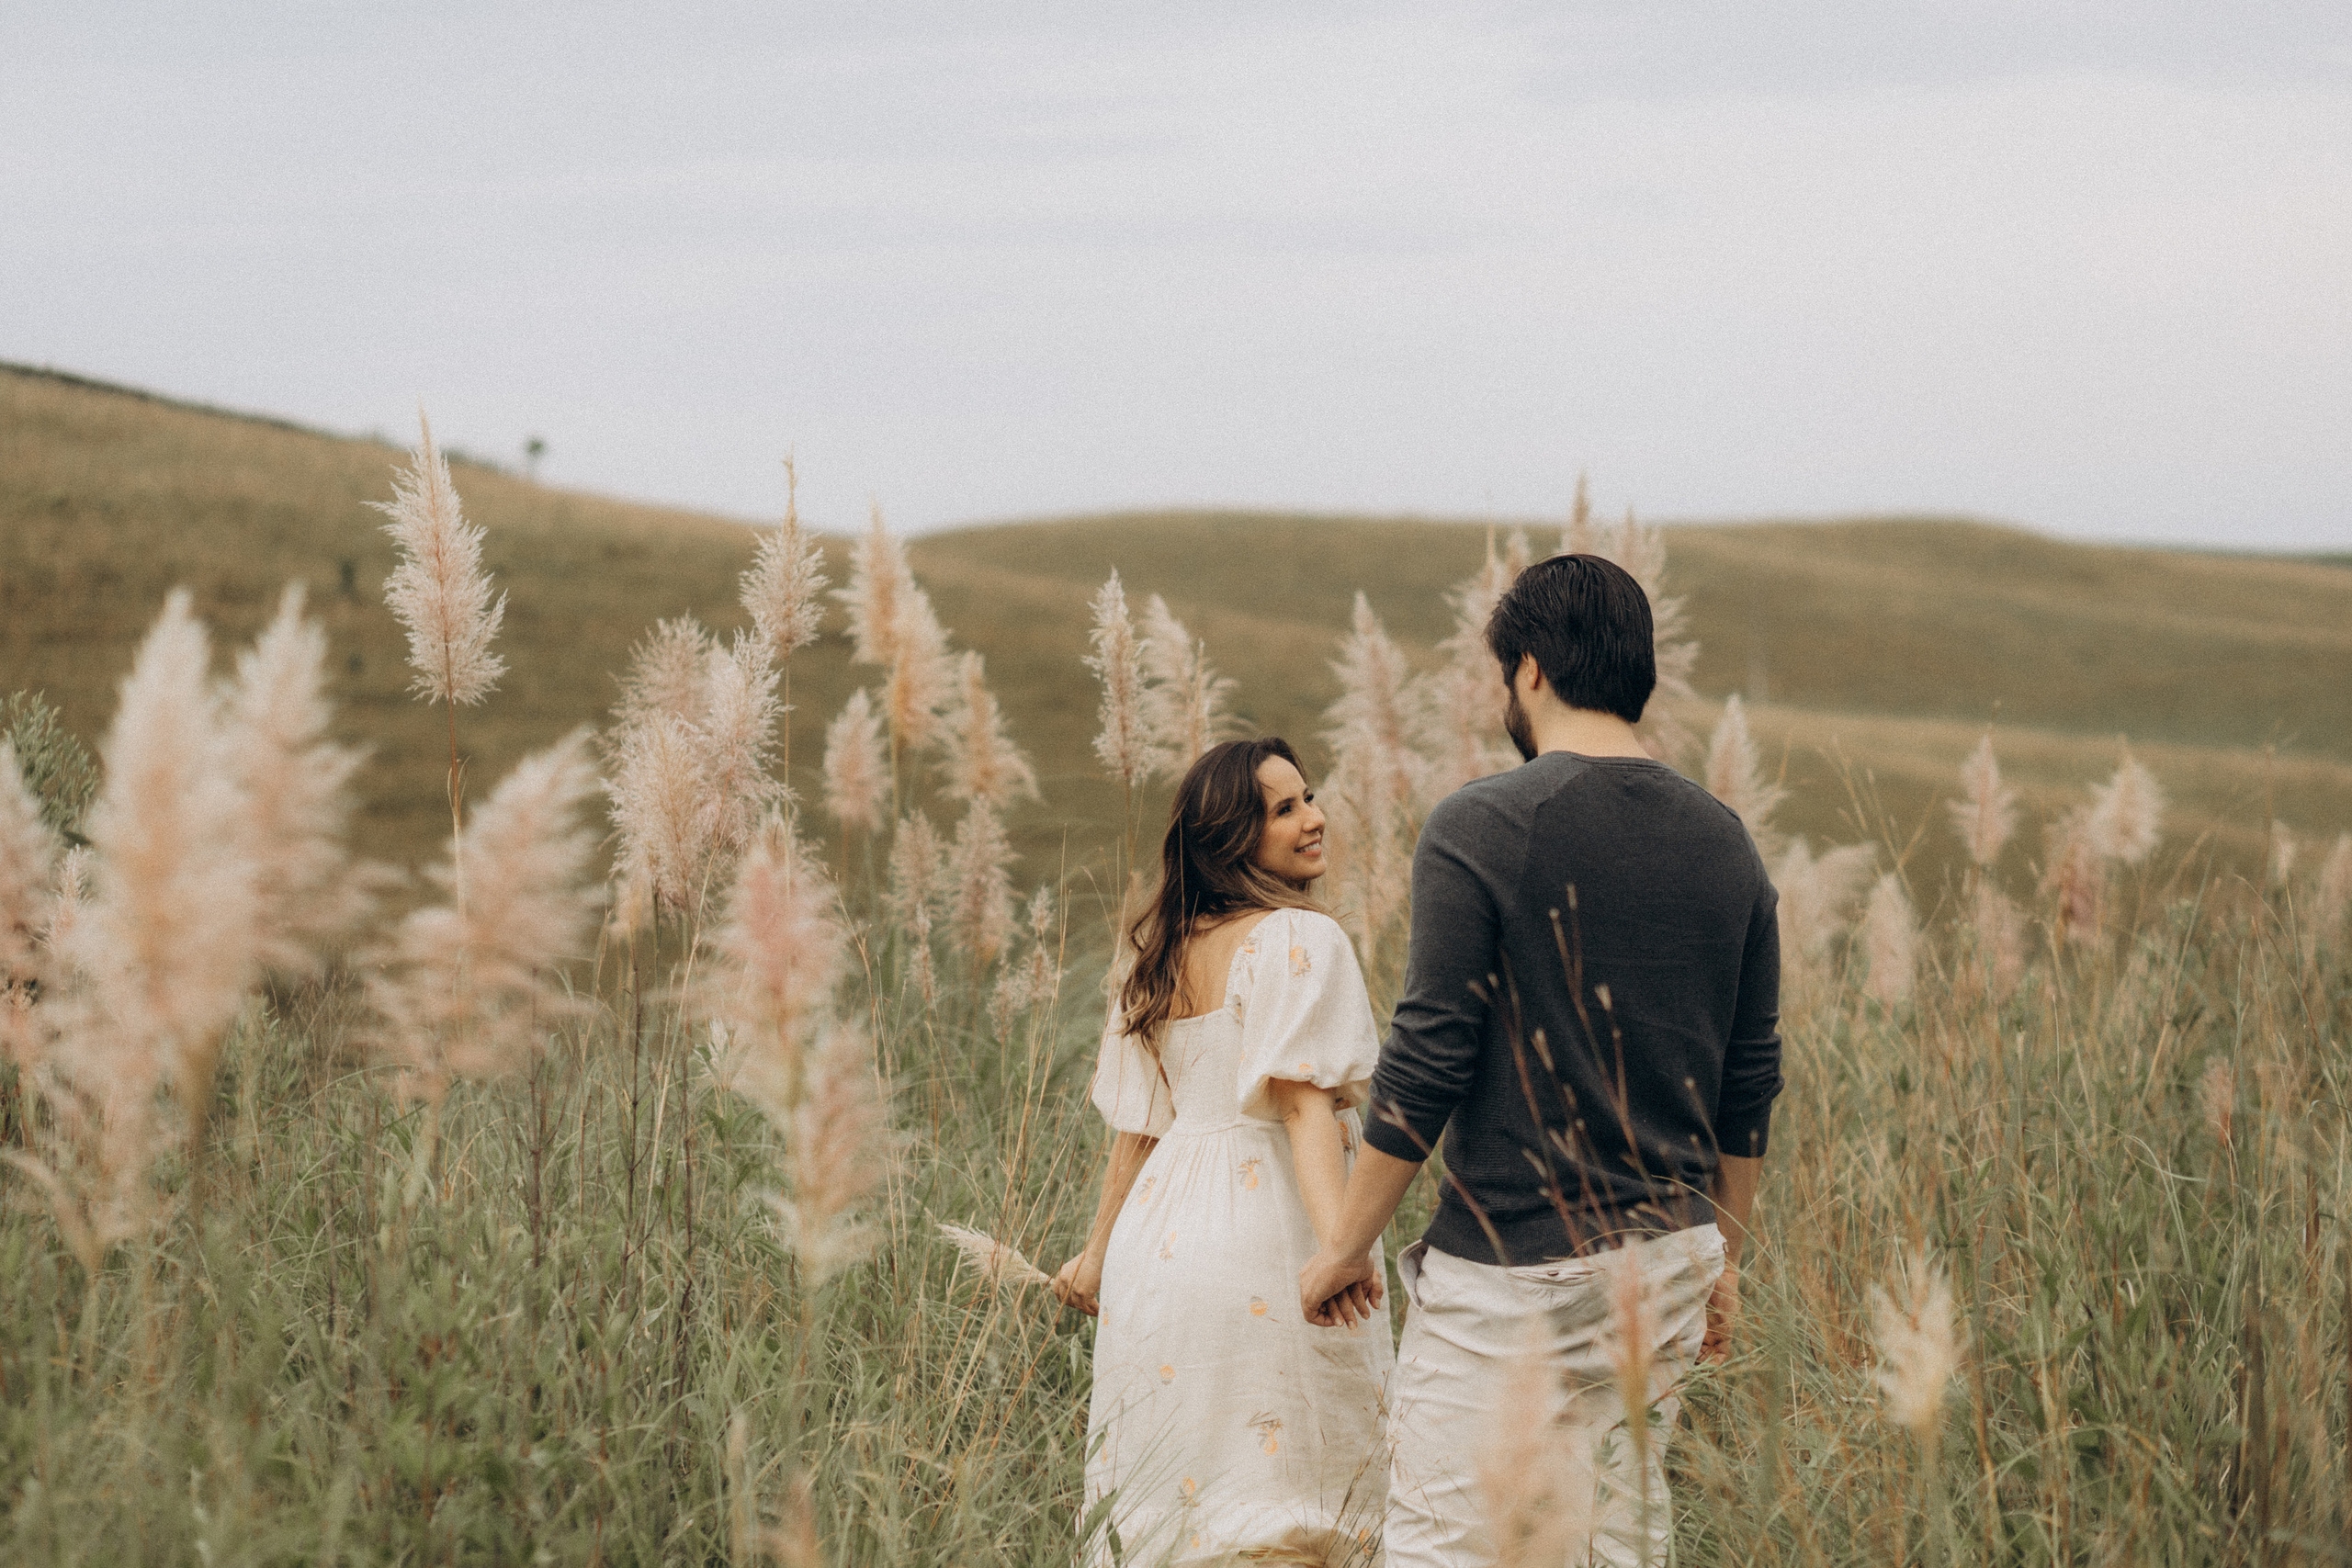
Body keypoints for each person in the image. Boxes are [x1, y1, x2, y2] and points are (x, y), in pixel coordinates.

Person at [1297, 553, 1783, 1568]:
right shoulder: (1728, 844)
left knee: (1448, 1552)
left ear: (1526, 670)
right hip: (1666, 1264)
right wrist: (1724, 1261)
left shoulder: (1484, 823)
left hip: (1510, 1276)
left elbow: (1428, 1058)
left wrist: (1344, 1245)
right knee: (1616, 1548)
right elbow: (1747, 1085)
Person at [1055, 738, 1395, 1566]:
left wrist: (1098, 1255)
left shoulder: (1155, 955)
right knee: (1298, 1504)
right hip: (1268, 1232)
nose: (1314, 818)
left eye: (1307, 797)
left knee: (1181, 1501)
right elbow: (1302, 1100)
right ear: (1232, 838)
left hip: (1159, 1249)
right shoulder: (1298, 940)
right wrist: (1336, 1248)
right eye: (1284, 809)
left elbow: (1141, 1123)